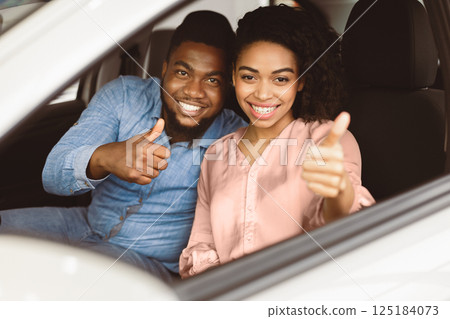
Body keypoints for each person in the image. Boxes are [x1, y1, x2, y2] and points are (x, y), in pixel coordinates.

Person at [0, 11, 246, 283]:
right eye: (182, 72)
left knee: (67, 280)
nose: (194, 91)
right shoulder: (124, 96)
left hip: (149, 261)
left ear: (228, 87)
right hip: (84, 224)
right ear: (164, 70)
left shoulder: (236, 137)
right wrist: (105, 158)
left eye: (212, 80)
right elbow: (52, 176)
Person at [179, 5, 375, 278]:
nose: (262, 93)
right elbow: (202, 246)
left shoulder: (328, 139)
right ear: (233, 76)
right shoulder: (216, 153)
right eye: (249, 77)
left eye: (280, 79)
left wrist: (339, 192)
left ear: (301, 82)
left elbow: (344, 226)